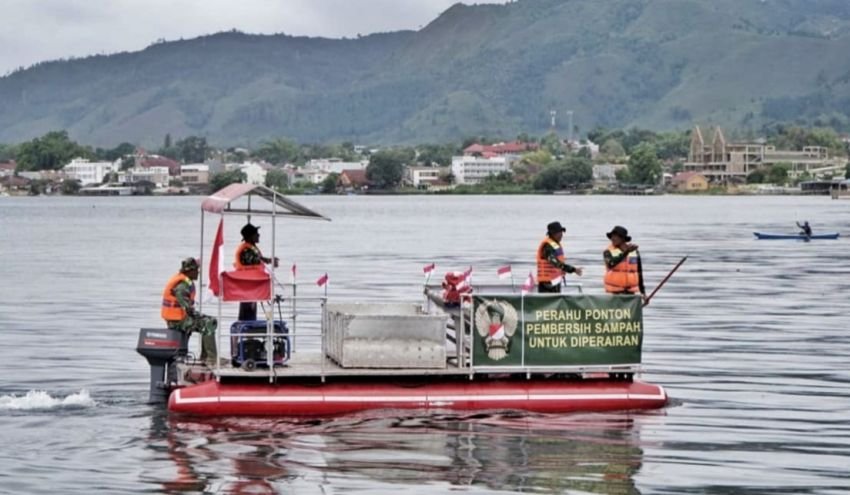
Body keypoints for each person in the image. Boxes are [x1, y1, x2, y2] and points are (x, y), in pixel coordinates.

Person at [161, 257, 218, 364]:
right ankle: (211, 358)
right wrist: (195, 313)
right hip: (177, 321)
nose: (198, 273)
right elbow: (186, 305)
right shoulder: (182, 285)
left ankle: (205, 356)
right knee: (208, 323)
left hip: (181, 318)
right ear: (190, 271)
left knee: (209, 320)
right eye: (196, 270)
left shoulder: (185, 281)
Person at [234, 223, 279, 321]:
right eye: (256, 233)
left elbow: (259, 259)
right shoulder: (246, 250)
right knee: (247, 313)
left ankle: (249, 333)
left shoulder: (250, 248)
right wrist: (270, 261)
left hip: (252, 287)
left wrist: (269, 260)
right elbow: (255, 260)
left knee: (251, 311)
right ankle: (246, 333)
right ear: (250, 236)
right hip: (247, 288)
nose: (258, 235)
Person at [536, 221, 583, 293]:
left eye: (561, 233)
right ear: (552, 234)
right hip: (547, 284)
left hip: (555, 281)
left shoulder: (555, 245)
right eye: (559, 233)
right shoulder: (547, 246)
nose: (561, 235)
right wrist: (572, 269)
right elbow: (555, 262)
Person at [603, 226, 646, 303]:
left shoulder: (634, 252)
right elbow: (611, 264)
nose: (613, 238)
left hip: (630, 294)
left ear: (623, 239)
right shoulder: (607, 251)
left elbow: (639, 272)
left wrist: (643, 293)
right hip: (613, 294)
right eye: (612, 236)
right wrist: (625, 253)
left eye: (615, 236)